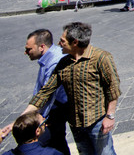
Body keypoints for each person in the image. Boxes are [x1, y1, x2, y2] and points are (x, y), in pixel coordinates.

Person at [12, 22, 121, 155]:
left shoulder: (101, 58)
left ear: (74, 42)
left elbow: (113, 88)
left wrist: (110, 116)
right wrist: (22, 117)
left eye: (62, 41)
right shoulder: (64, 63)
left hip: (97, 123)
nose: (58, 44)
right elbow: (45, 92)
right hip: (76, 125)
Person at [15, 29, 70, 155]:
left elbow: (47, 95)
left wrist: (36, 119)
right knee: (58, 143)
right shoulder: (47, 57)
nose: (26, 52)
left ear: (41, 47)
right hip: (53, 110)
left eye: (29, 49)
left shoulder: (54, 61)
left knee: (33, 145)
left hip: (55, 111)